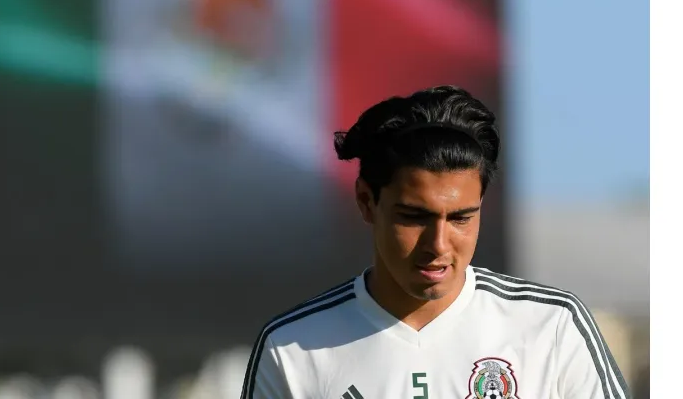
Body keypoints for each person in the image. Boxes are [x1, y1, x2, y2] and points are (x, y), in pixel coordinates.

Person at [240, 86, 630, 399]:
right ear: (366, 202)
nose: (439, 244)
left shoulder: (552, 326)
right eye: (414, 217)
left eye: (461, 218)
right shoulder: (290, 348)